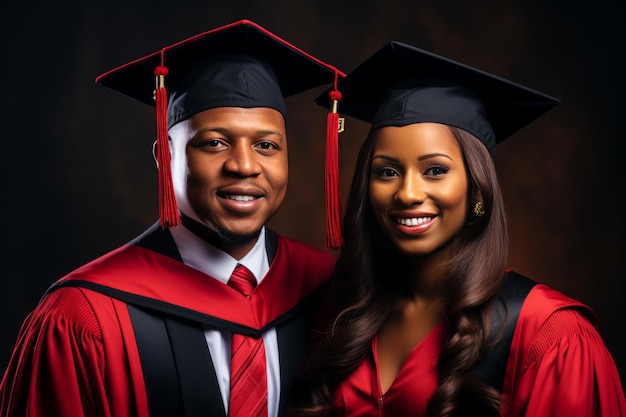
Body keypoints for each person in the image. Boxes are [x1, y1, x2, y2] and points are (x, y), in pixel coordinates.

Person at [0, 19, 345, 417]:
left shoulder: (332, 292)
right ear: (164, 155)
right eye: (215, 143)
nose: (245, 165)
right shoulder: (83, 318)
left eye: (266, 145)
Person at [289, 41, 626, 417]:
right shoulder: (343, 313)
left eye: (435, 170)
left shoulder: (548, 333)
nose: (408, 193)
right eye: (387, 171)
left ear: (477, 188)